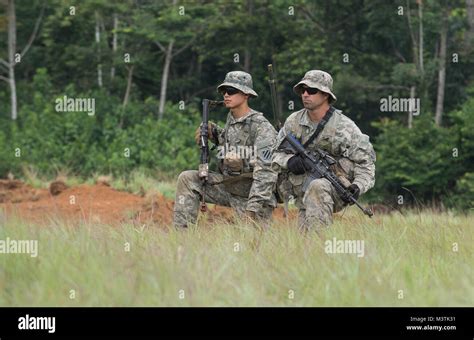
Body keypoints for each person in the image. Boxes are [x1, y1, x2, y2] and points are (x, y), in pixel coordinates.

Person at [272, 70, 376, 231]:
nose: (305, 94)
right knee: (303, 241)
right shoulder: (293, 121)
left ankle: (319, 243)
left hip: (334, 189)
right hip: (301, 190)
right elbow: (274, 154)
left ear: (326, 94)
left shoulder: (344, 127)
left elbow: (366, 164)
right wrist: (289, 161)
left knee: (318, 186)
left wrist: (357, 186)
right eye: (303, 90)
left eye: (312, 90)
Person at [173, 71, 278, 228]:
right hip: (229, 186)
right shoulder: (232, 119)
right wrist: (213, 132)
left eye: (232, 91)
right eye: (224, 91)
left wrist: (252, 210)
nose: (226, 95)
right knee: (187, 179)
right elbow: (232, 143)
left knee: (253, 245)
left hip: (250, 195)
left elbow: (267, 173)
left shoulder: (261, 127)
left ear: (246, 95)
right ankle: (181, 237)